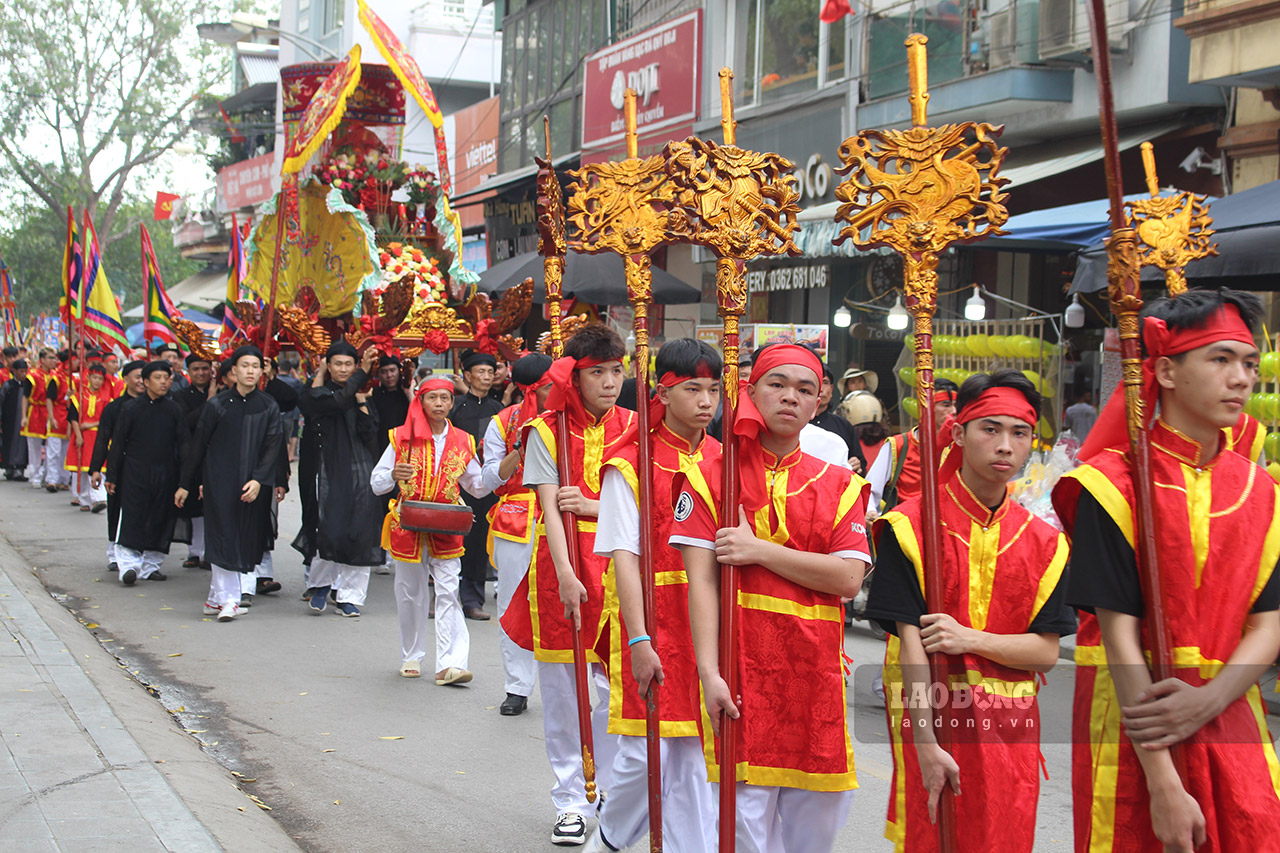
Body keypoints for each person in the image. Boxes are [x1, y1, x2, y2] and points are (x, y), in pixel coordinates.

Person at [1055, 288, 1280, 853]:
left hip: (1231, 715)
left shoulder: (1262, 492)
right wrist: (1163, 782)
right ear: (1167, 372)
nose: (1242, 379)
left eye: (1249, 363)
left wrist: (1212, 699)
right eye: (1220, 359)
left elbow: (1269, 624)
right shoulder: (1115, 482)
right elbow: (1118, 633)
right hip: (1139, 724)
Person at [866, 369, 1074, 853]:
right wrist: (926, 744)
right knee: (932, 836)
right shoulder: (909, 525)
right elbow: (911, 643)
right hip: (937, 716)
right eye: (990, 429)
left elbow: (1045, 653)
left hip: (1012, 727)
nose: (1005, 445)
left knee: (1004, 835)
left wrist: (969, 639)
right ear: (958, 433)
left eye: (1019, 433)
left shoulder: (1047, 543)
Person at [672, 343, 870, 851]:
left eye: (805, 389)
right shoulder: (707, 477)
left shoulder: (842, 484)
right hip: (740, 674)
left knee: (816, 826)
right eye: (776, 384)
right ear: (751, 391)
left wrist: (757, 550)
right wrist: (709, 674)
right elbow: (703, 586)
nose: (790, 397)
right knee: (742, 825)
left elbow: (848, 580)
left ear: (819, 401)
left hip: (815, 675)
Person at [585, 339, 722, 853]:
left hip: (706, 621)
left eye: (713, 389)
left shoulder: (723, 458)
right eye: (693, 389)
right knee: (648, 753)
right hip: (652, 618)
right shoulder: (631, 461)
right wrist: (640, 639)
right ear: (662, 392)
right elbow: (624, 554)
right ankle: (611, 840)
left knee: (693, 753)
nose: (706, 401)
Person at [500, 325, 635, 846]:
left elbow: (651, 502)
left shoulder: (637, 427)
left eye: (616, 371)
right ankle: (570, 800)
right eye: (596, 372)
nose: (609, 382)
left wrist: (598, 507)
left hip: (623, 566)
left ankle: (603, 787)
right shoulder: (545, 429)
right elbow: (552, 508)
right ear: (574, 377)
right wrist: (565, 573)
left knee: (611, 690)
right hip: (564, 566)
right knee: (562, 692)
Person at [372, 375, 489, 682]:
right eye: (432, 398)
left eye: (445, 398)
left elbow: (476, 487)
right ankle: (411, 656)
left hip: (447, 525)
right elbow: (376, 483)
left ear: (453, 402)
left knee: (449, 590)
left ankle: (450, 663)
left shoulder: (464, 440)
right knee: (410, 593)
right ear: (420, 401)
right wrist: (393, 475)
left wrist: (503, 468)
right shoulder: (401, 437)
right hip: (408, 525)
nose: (439, 404)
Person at [176, 346, 282, 621]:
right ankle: (230, 600)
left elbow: (272, 445)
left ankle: (215, 599)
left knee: (242, 538)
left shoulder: (268, 405)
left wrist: (259, 480)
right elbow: (198, 446)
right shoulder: (217, 405)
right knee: (222, 536)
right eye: (244, 366)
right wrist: (186, 483)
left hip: (251, 483)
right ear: (232, 371)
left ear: (262, 371)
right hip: (219, 479)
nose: (250, 371)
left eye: (255, 366)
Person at [480, 352, 553, 717]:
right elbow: (489, 479)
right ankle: (517, 686)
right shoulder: (502, 423)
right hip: (517, 517)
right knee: (511, 601)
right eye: (549, 385)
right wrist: (519, 448)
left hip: (565, 515)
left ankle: (575, 683)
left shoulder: (571, 419)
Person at [293, 342, 385, 616]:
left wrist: (363, 403)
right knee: (328, 528)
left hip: (359, 469)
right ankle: (321, 584)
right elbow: (336, 401)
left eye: (349, 364)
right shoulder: (315, 394)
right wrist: (362, 374)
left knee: (360, 531)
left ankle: (350, 596)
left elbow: (371, 431)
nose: (343, 369)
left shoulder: (361, 393)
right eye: (338, 364)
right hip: (326, 469)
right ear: (327, 366)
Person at [104, 362, 185, 586]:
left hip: (165, 471)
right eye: (157, 377)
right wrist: (112, 474)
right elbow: (118, 442)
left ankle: (151, 566)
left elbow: (184, 444)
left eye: (166, 378)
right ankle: (128, 565)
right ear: (146, 382)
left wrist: (185, 479)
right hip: (134, 471)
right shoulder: (130, 409)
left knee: (160, 516)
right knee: (132, 515)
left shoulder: (174, 410)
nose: (163, 382)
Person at [449, 350, 504, 620]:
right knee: (450, 539)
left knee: (480, 539)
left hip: (487, 483)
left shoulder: (498, 410)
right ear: (467, 376)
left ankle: (472, 599)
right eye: (480, 372)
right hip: (455, 482)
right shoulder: (455, 406)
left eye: (490, 372)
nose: (486, 377)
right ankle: (444, 596)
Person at [865, 377, 959, 515]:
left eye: (956, 405)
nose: (954, 411)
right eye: (946, 404)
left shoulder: (958, 446)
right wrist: (871, 511)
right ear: (927, 407)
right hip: (903, 526)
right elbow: (871, 490)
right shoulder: (899, 445)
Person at [91, 360, 144, 573]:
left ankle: (141, 555)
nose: (141, 381)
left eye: (143, 377)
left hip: (144, 467)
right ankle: (114, 551)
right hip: (119, 465)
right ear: (126, 379)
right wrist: (96, 468)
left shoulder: (157, 406)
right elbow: (103, 439)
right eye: (137, 376)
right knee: (116, 508)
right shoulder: (114, 408)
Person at [174, 353, 216, 569]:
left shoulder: (223, 393)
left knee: (212, 506)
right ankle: (194, 551)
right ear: (188, 372)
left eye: (205, 369)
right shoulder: (180, 396)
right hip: (191, 456)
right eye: (196, 369)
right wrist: (209, 400)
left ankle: (210, 551)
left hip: (214, 455)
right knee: (194, 507)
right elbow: (186, 422)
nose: (201, 373)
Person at [65, 362, 114, 513]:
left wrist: (91, 424)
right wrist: (78, 435)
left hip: (99, 436)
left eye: (100, 378)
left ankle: (98, 498)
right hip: (82, 435)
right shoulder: (78, 396)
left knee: (96, 467)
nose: (97, 381)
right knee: (81, 468)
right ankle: (83, 498)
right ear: (88, 377)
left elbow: (109, 419)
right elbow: (73, 418)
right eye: (94, 378)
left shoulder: (107, 399)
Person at [814, 363, 866, 473]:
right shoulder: (795, 424)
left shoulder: (844, 425)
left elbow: (860, 465)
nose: (821, 389)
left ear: (831, 389)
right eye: (816, 381)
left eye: (825, 382)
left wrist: (857, 465)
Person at [21, 347, 55, 488]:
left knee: (51, 446)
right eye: (50, 358)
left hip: (50, 411)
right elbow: (25, 397)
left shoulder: (55, 376)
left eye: (54, 358)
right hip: (35, 411)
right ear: (42, 360)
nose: (53, 361)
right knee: (34, 446)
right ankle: (35, 475)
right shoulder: (33, 376)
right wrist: (24, 415)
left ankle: (48, 475)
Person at [0, 359, 30, 479]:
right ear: (14, 371)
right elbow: (1, 403)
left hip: (23, 420)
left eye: (25, 371)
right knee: (9, 443)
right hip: (9, 420)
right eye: (21, 371)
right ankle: (8, 468)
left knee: (22, 444)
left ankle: (19, 470)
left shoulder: (28, 385)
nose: (24, 374)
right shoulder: (8, 386)